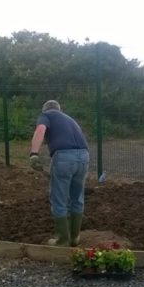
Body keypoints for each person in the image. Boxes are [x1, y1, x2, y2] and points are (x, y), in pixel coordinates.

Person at [29, 100, 90, 247]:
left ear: (46, 109)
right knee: (77, 197)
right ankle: (75, 237)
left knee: (59, 199)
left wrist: (34, 154)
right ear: (59, 109)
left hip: (63, 158)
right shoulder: (69, 119)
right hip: (84, 156)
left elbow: (40, 130)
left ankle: (62, 240)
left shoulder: (46, 115)